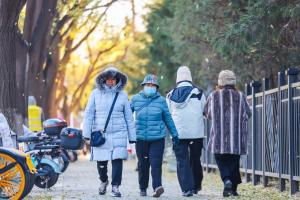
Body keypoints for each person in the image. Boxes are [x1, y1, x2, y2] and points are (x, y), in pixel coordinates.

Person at [83, 67, 136, 198]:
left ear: (117, 80)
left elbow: (129, 117)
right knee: (101, 163)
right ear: (104, 79)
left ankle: (115, 186)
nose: (111, 81)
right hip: (101, 134)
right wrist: (86, 133)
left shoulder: (123, 95)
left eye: (113, 79)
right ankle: (103, 180)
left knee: (117, 161)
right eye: (108, 79)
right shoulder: (95, 94)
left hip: (119, 133)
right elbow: (89, 114)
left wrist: (132, 137)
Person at [204, 70, 251, 197]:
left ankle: (227, 181)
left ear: (220, 82)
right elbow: (248, 113)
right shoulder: (240, 96)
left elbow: (207, 113)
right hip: (236, 137)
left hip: (218, 138)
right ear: (233, 82)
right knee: (234, 162)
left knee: (220, 159)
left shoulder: (213, 96)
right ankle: (233, 189)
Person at [130, 74, 179, 198]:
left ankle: (157, 187)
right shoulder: (135, 99)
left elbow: (168, 118)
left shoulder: (161, 100)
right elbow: (127, 116)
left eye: (153, 85)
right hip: (141, 138)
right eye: (148, 85)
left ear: (156, 87)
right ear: (143, 86)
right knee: (143, 164)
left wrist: (175, 134)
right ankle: (142, 188)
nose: (150, 87)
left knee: (156, 163)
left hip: (157, 138)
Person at [166, 66, 206, 197]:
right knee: (195, 158)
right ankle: (196, 186)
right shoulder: (199, 93)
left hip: (178, 133)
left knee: (182, 159)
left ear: (178, 78)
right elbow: (204, 111)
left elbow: (169, 113)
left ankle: (186, 189)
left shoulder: (171, 94)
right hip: (196, 133)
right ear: (190, 77)